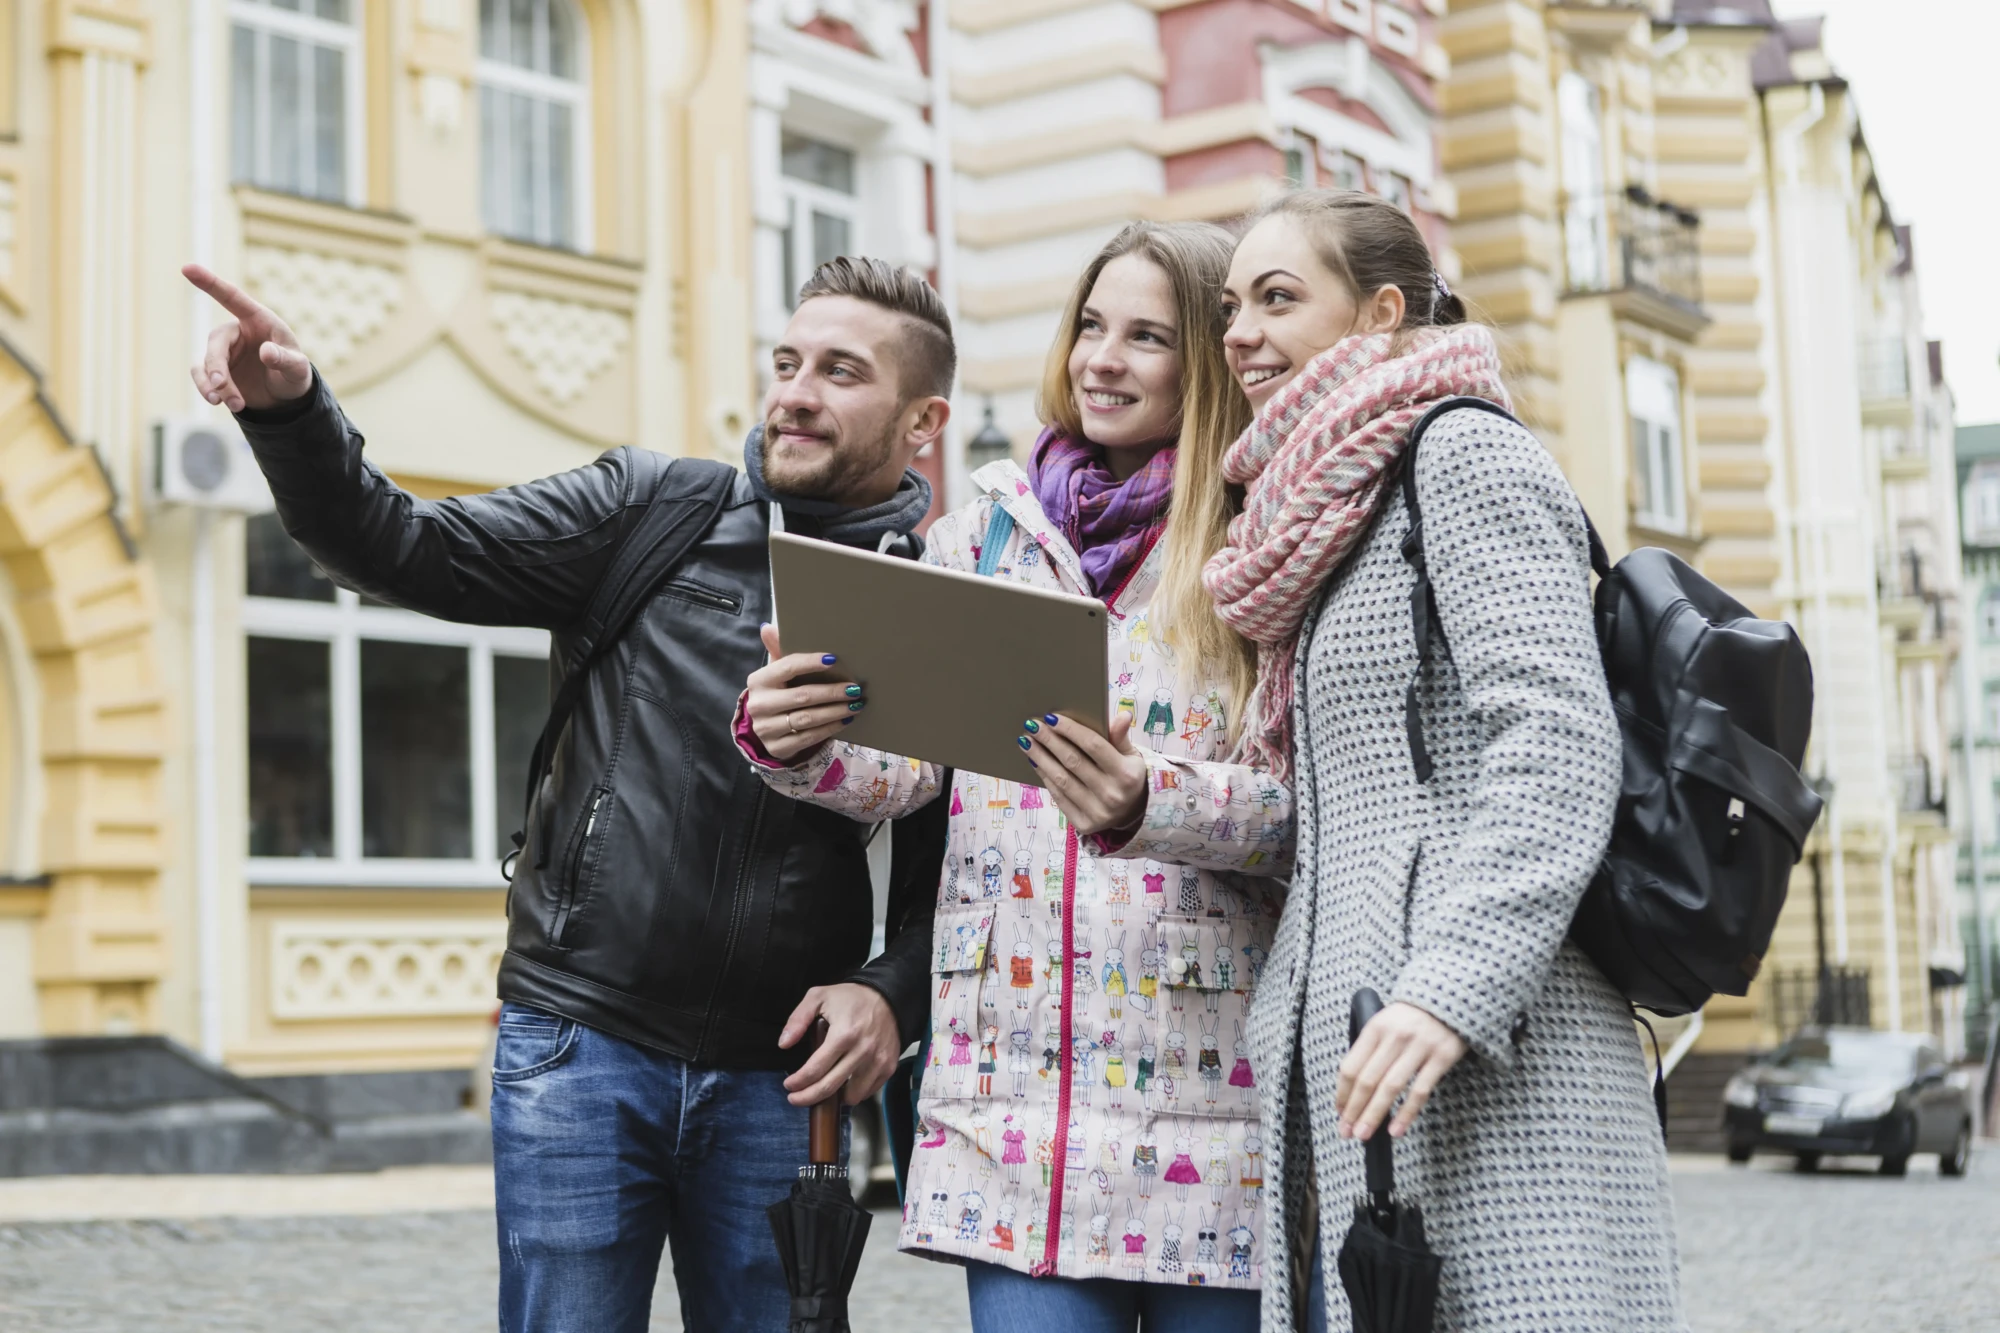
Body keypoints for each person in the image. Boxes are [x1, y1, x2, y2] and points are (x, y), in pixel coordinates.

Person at [182, 257, 956, 1333]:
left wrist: (889, 991)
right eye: (785, 361)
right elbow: (404, 547)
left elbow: (964, 865)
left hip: (781, 1084)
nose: (794, 391)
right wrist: (295, 413)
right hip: (581, 1044)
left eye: (839, 371)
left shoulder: (940, 594)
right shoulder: (652, 508)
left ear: (924, 422)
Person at [737, 221, 1292, 1332]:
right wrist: (803, 742)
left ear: (1205, 359)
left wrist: (1154, 802)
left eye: (1146, 335)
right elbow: (904, 774)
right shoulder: (981, 533)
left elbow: (1307, 809)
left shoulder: (1263, 540)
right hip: (1012, 1102)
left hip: (1212, 1100)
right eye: (1090, 326)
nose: (1102, 359)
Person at [1205, 190, 1687, 1331]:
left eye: (1278, 298)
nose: (1238, 332)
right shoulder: (1319, 513)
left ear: (1379, 313)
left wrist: (1446, 989)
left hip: (1490, 1045)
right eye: (1230, 305)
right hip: (1355, 1059)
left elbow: (1557, 738)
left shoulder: (1459, 451)